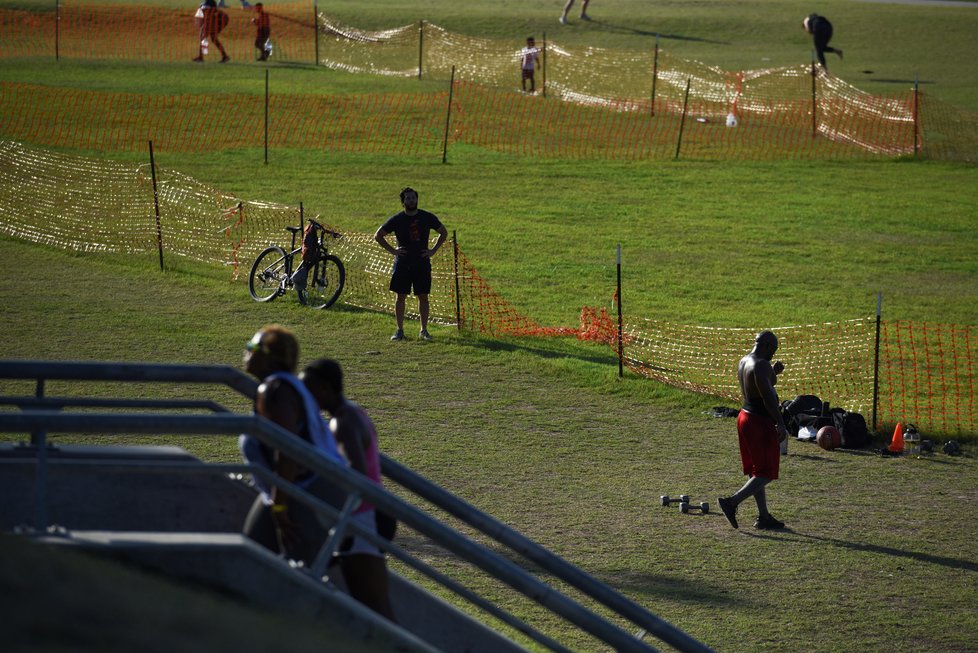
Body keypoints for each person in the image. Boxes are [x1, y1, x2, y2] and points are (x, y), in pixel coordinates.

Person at [240, 325, 348, 564]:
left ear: (271, 357)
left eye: (253, 347)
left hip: (310, 490)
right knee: (251, 551)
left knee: (297, 567)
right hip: (294, 487)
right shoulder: (277, 386)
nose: (246, 351)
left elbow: (288, 449)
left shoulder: (277, 391)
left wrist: (280, 507)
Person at [301, 358, 397, 621]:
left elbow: (357, 474)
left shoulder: (341, 424)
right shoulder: (354, 412)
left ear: (323, 388)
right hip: (371, 514)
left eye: (307, 390)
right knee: (376, 607)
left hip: (362, 520)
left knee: (374, 610)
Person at [718, 331, 789, 531]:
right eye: (773, 350)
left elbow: (763, 383)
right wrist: (781, 423)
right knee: (766, 472)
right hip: (759, 422)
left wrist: (774, 372)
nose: (773, 355)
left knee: (756, 470)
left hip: (744, 417)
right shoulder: (761, 364)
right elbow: (767, 396)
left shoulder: (745, 361)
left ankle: (763, 517)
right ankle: (731, 503)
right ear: (766, 345)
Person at [374, 187, 448, 342]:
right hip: (403, 264)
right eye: (407, 198)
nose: (411, 200)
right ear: (403, 202)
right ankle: (399, 330)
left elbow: (443, 232)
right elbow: (378, 235)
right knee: (400, 297)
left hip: (422, 263)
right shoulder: (397, 219)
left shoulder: (427, 217)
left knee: (424, 297)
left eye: (413, 198)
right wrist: (393, 251)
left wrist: (433, 251)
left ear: (417, 199)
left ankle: (424, 330)